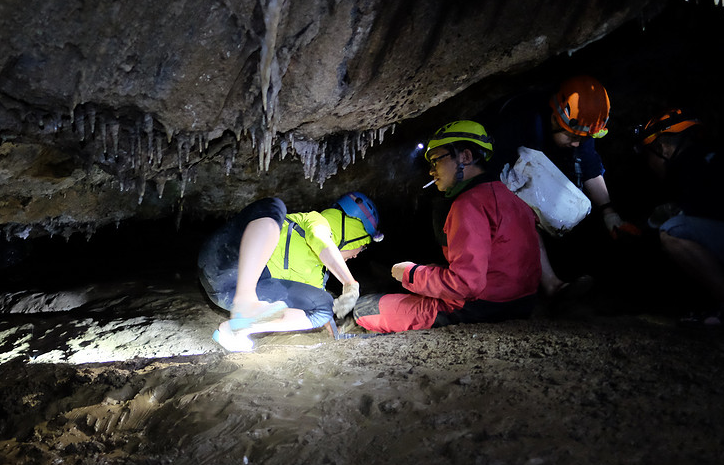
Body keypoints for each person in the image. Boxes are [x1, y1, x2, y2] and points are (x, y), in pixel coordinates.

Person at [352, 121, 540, 333]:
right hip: (522, 303)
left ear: (465, 157)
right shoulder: (511, 197)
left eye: (436, 161)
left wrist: (411, 274)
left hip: (480, 308)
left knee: (365, 308)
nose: (431, 172)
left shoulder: (469, 204)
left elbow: (467, 285)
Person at [489, 75, 636, 298]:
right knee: (522, 215)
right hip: (510, 180)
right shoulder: (521, 121)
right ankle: (552, 286)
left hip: (551, 183)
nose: (577, 143)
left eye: (583, 138)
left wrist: (609, 212)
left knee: (581, 216)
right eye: (572, 136)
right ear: (556, 118)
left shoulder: (581, 125)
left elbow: (589, 165)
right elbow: (496, 174)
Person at [197, 192, 382, 351]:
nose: (358, 254)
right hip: (225, 258)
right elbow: (322, 241)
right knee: (273, 206)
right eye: (363, 246)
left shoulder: (319, 276)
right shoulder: (316, 221)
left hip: (227, 293)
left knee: (323, 304)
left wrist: (335, 332)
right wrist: (350, 283)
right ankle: (245, 300)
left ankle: (236, 330)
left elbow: (314, 306)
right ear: (353, 232)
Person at [635, 108, 724, 325]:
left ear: (661, 147)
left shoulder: (688, 167)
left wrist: (647, 227)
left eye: (647, 155)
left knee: (673, 233)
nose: (647, 165)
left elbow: (687, 222)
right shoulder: (716, 159)